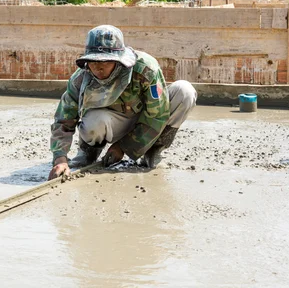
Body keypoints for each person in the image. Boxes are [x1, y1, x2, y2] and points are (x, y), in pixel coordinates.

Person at [48, 25, 197, 181]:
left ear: (119, 61)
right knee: (94, 122)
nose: (98, 68)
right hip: (114, 122)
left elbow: (157, 115)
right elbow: (63, 120)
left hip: (146, 119)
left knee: (185, 91)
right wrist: (60, 159)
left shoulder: (146, 69)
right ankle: (88, 152)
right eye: (93, 62)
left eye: (105, 62)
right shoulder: (80, 79)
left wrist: (124, 147)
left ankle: (153, 150)